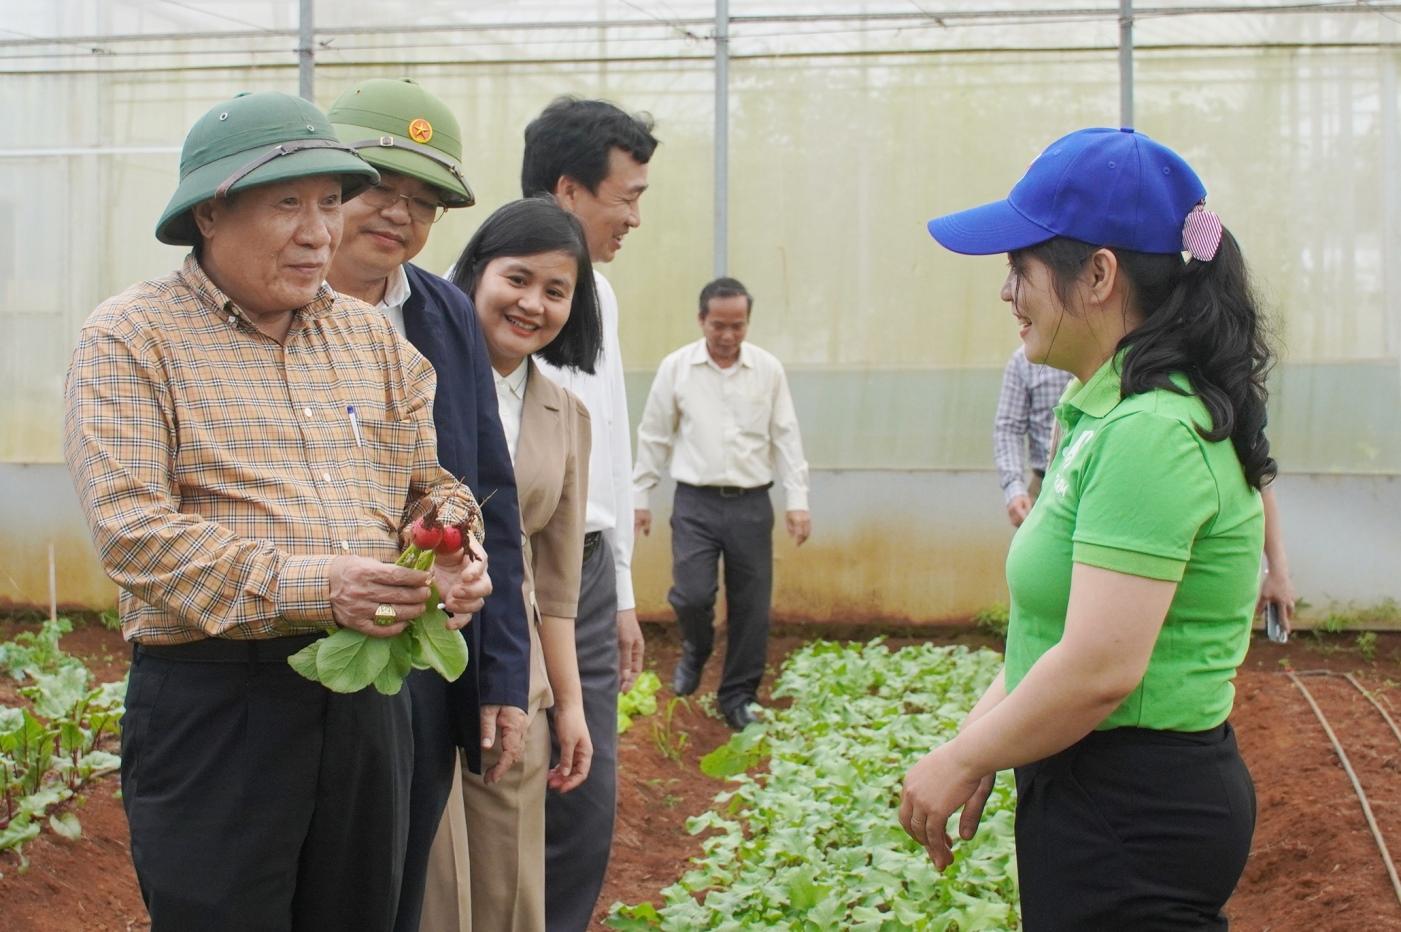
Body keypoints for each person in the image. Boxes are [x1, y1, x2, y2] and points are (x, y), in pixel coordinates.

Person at [62, 90, 492, 931]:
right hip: (222, 704)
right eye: (287, 203)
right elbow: (133, 533)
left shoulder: (369, 341)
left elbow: (429, 484)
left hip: (368, 696)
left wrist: (452, 544)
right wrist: (318, 586)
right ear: (211, 213)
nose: (318, 232)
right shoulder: (132, 337)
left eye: (330, 202)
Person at [903, 127, 1269, 929]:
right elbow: (1053, 627)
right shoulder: (1102, 414)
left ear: (1098, 274)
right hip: (1098, 790)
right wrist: (982, 742)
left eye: (1018, 268)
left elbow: (1099, 668)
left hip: (1133, 807)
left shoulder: (1150, 434)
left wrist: (965, 756)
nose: (1006, 293)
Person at [323, 77, 531, 932]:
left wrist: (499, 677)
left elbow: (492, 499)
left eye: (424, 202)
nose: (398, 216)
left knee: (397, 886)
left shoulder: (444, 314)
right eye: (378, 187)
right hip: (299, 654)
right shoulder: (261, 311)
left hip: (417, 657)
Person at [420, 196, 602, 932]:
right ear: (475, 275)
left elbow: (553, 585)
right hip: (418, 649)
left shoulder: (567, 416)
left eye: (556, 291)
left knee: (505, 883)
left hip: (511, 666)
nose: (532, 304)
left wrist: (570, 704)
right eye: (517, 279)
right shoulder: (409, 375)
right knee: (429, 879)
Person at [520, 95, 658, 931]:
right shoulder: (493, 293)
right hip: (524, 561)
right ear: (570, 190)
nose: (636, 216)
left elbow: (607, 432)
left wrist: (626, 591)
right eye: (628, 195)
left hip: (591, 562)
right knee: (514, 780)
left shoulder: (598, 295)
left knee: (581, 796)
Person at [633, 277, 812, 730]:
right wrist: (640, 495)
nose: (728, 336)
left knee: (751, 606)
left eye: (738, 325)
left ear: (747, 322)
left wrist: (798, 500)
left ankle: (737, 696)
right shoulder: (676, 368)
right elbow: (654, 433)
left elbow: (786, 436)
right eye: (719, 326)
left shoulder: (768, 369)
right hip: (696, 503)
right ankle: (696, 646)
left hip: (752, 504)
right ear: (701, 321)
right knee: (692, 595)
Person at [994, 344, 1072, 526]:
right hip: (1044, 481)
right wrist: (1014, 489)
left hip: (1092, 477)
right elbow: (1009, 428)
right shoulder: (1023, 361)